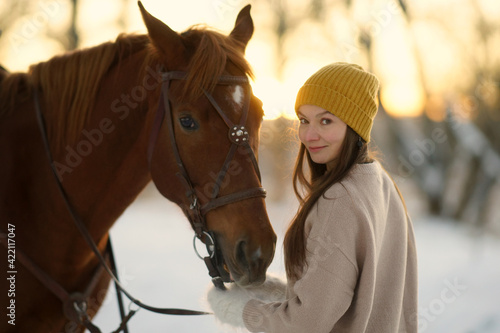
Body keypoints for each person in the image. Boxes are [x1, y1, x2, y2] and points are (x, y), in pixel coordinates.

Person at [207, 62, 418, 332]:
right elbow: (353, 295)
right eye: (304, 120)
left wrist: (239, 310)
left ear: (354, 126)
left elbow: (305, 324)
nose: (309, 134)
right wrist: (275, 294)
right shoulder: (381, 183)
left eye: (326, 121)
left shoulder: (340, 200)